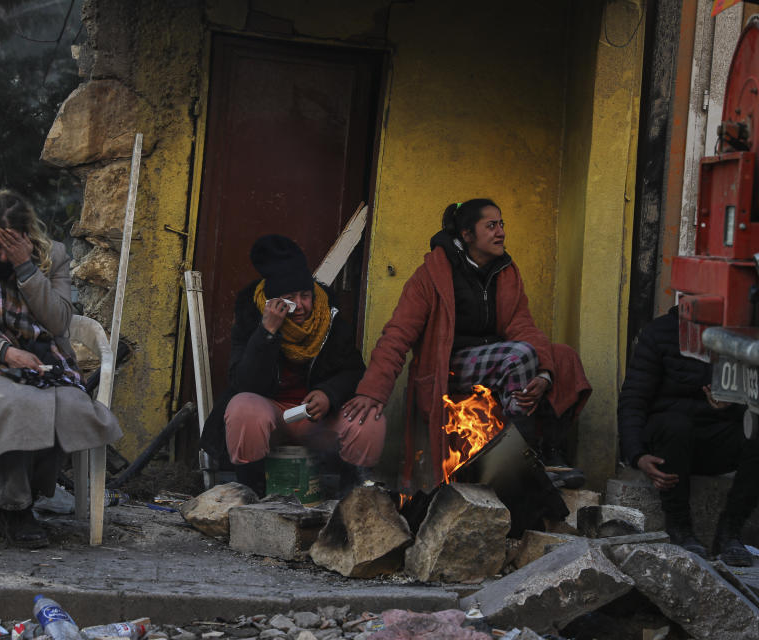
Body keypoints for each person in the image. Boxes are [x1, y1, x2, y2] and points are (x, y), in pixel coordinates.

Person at [343, 199, 591, 490]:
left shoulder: (506, 272)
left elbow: (522, 326)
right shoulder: (432, 274)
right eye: (491, 226)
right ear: (467, 234)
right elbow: (398, 334)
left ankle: (549, 452)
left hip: (500, 358)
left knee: (563, 357)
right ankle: (524, 461)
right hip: (450, 365)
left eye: (502, 225)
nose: (500, 232)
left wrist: (544, 374)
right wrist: (373, 391)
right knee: (520, 355)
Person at [0, 189, 123, 548]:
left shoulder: (51, 256)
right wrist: (4, 351)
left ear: (27, 237)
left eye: (13, 245)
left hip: (50, 359)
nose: (3, 254)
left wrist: (26, 267)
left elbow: (58, 322)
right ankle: (16, 510)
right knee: (16, 404)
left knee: (70, 409)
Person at [198, 235, 386, 496]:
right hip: (272, 416)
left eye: (305, 295)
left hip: (315, 419)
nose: (300, 306)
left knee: (369, 420)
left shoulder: (328, 318)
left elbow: (353, 370)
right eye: (289, 297)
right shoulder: (253, 319)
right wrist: (266, 333)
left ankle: (354, 498)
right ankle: (251, 494)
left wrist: (328, 394)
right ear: (274, 301)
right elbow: (243, 384)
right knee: (243, 407)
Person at [618, 306, 759, 566]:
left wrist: (734, 403)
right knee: (675, 425)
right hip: (669, 443)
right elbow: (633, 401)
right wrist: (636, 455)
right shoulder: (660, 333)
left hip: (717, 441)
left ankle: (730, 533)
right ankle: (680, 528)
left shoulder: (744, 337)